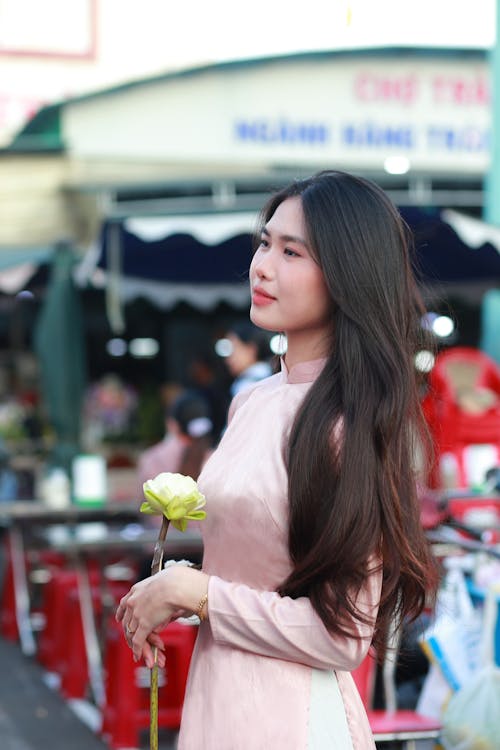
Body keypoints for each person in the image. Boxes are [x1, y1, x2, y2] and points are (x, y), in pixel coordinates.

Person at [116, 170, 438, 749]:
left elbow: (341, 638)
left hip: (294, 721)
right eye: (265, 243)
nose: (261, 266)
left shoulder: (346, 423)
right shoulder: (253, 401)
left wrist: (195, 593)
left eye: (292, 251)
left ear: (347, 275)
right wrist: (170, 594)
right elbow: (249, 569)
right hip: (218, 701)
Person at [221, 321, 273, 396]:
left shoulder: (247, 385)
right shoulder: (273, 375)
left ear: (251, 349)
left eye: (233, 349)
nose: (228, 359)